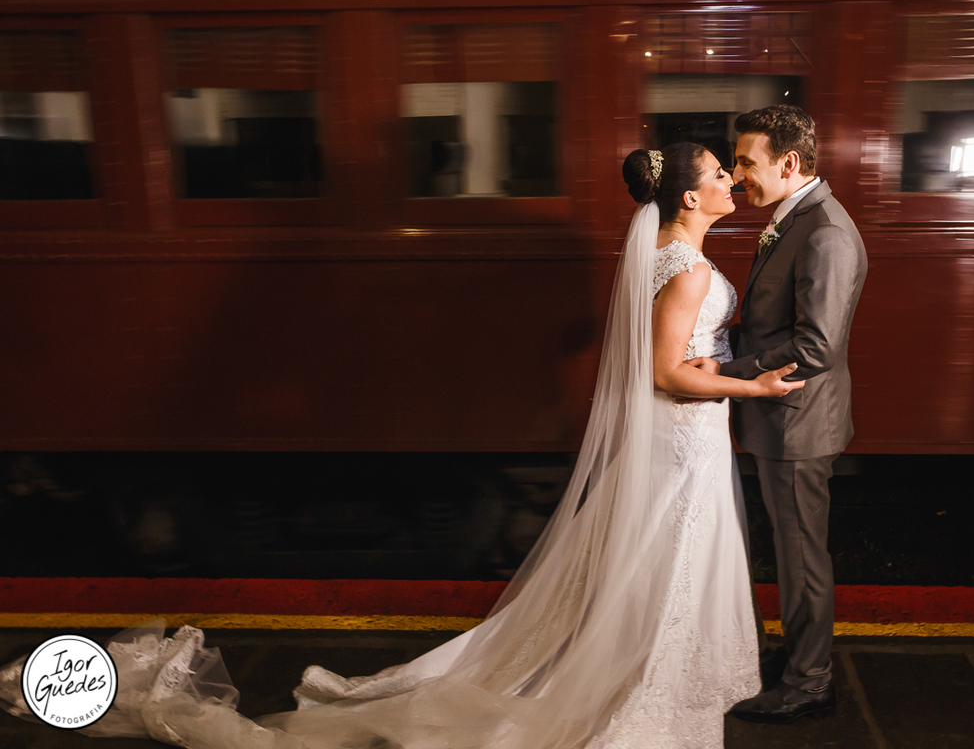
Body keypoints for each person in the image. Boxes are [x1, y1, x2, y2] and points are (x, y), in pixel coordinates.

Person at [0, 142, 804, 749]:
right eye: (719, 172)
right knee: (669, 557)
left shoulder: (667, 257)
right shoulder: (690, 270)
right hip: (684, 432)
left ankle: (645, 670)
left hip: (679, 436)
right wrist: (752, 386)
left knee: (654, 560)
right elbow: (668, 373)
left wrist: (713, 368)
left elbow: (660, 356)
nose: (732, 181)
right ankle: (651, 690)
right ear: (690, 195)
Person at [715, 105, 868, 724]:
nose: (737, 173)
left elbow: (817, 347)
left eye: (747, 163)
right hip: (785, 418)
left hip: (798, 421)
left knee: (802, 555)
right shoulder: (795, 217)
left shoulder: (824, 231)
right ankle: (801, 657)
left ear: (790, 163)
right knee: (792, 549)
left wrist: (728, 373)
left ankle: (810, 682)